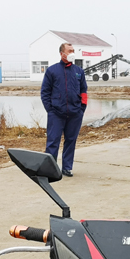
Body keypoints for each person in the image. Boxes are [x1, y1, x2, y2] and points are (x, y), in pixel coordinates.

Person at [40, 42, 88, 177]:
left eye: (73, 50)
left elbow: (84, 91)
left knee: (71, 141)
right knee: (52, 142)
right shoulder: (52, 71)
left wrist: (81, 109)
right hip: (56, 114)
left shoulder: (79, 72)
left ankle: (67, 168)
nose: (72, 53)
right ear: (62, 53)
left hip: (75, 113)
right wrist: (50, 110)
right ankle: (50, 170)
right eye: (69, 51)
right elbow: (45, 92)